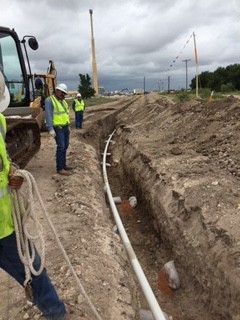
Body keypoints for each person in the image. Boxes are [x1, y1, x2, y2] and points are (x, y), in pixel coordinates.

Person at [0, 71, 75, 319]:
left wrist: (11, 170)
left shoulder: (0, 122)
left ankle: (55, 312)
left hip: (5, 222)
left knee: (32, 267)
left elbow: (4, 159)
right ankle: (55, 312)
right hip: (2, 228)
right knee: (32, 268)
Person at [45, 84, 74, 176]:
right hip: (58, 128)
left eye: (64, 93)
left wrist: (68, 125)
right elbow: (48, 115)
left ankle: (64, 165)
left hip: (65, 127)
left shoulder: (63, 101)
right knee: (61, 147)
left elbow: (65, 114)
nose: (63, 95)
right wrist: (50, 128)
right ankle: (60, 168)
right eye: (62, 93)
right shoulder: (49, 100)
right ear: (57, 91)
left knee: (65, 146)